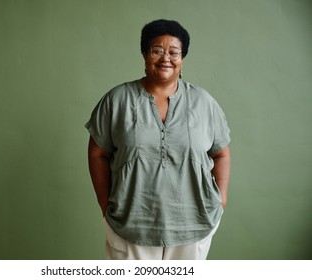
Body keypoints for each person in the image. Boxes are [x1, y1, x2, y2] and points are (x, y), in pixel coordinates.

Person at [85, 19, 231, 260]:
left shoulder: (204, 103)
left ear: (182, 58)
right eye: (157, 50)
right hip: (131, 224)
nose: (166, 58)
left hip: (193, 224)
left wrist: (221, 199)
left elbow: (221, 152)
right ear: (144, 54)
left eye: (174, 52)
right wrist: (105, 203)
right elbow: (97, 153)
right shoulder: (117, 100)